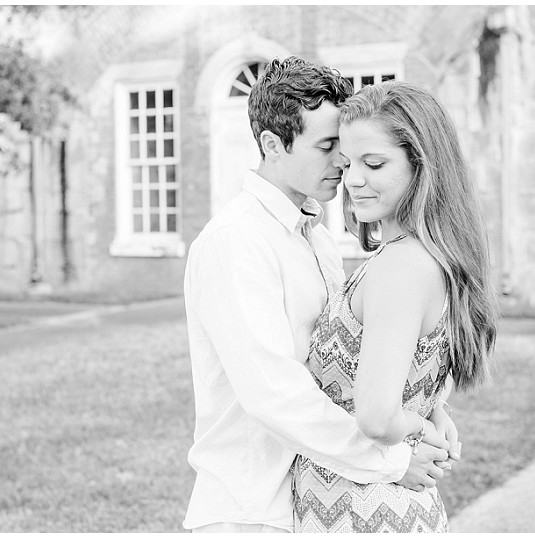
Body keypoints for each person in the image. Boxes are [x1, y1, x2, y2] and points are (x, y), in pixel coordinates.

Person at [182, 58, 459, 533]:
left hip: (318, 500)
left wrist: (426, 407)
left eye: (347, 150)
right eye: (328, 146)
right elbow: (274, 394)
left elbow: (345, 365)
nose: (343, 165)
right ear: (272, 144)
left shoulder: (318, 239)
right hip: (254, 510)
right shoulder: (236, 241)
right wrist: (393, 460)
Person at [293, 81, 498, 532]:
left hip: (362, 514)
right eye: (348, 164)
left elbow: (378, 416)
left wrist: (423, 431)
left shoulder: (401, 266)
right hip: (379, 507)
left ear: (421, 166)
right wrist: (430, 415)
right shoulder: (420, 257)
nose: (353, 180)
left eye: (375, 163)